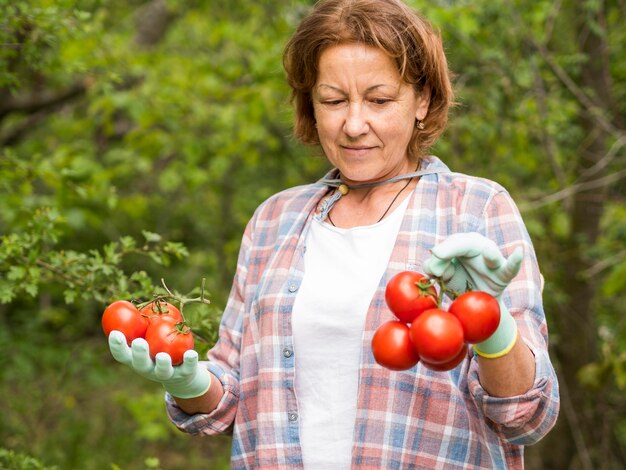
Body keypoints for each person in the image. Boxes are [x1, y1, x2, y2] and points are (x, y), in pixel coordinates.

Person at [107, 0, 560, 468]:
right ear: (311, 105)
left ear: (422, 100)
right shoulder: (274, 220)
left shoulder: (477, 208)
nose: (354, 124)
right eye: (334, 100)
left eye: (380, 100)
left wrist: (493, 328)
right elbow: (229, 399)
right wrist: (190, 384)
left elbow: (528, 417)